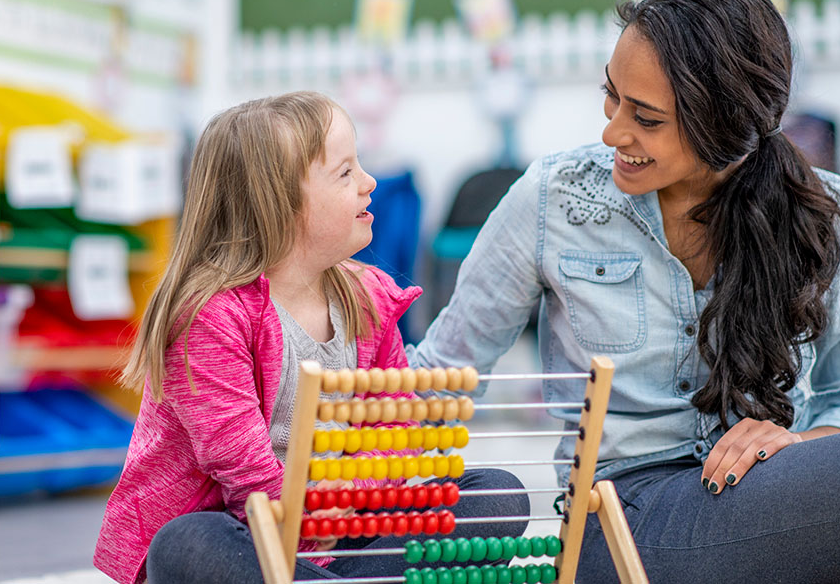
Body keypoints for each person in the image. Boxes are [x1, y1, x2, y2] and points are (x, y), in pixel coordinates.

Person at [408, 0, 840, 584]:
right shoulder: (554, 200)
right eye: (611, 95)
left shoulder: (832, 217)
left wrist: (799, 443)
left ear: (729, 128)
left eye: (646, 118)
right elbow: (442, 367)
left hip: (770, 508)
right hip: (623, 524)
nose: (612, 131)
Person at [94, 92, 528, 584]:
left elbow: (389, 436)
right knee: (185, 543)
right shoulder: (210, 317)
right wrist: (312, 527)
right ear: (278, 204)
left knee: (495, 496)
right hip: (247, 535)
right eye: (345, 173)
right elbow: (248, 479)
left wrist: (343, 508)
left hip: (339, 532)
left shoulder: (369, 298)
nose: (370, 183)